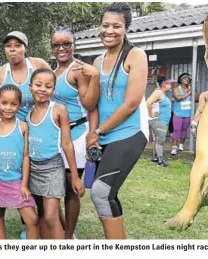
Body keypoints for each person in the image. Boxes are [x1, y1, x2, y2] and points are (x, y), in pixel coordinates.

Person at [85, 2, 149, 239]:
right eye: (105, 25)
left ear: (126, 29)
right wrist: (92, 135)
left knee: (101, 193)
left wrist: (99, 131)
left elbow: (131, 103)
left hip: (129, 133)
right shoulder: (96, 62)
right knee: (108, 194)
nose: (109, 31)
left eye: (116, 26)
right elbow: (92, 104)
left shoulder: (136, 55)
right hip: (102, 135)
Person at [0, 31, 51, 238]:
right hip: (8, 131)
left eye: (17, 45)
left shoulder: (38, 64)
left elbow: (50, 84)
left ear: (25, 47)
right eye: (8, 46)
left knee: (37, 177)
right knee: (14, 172)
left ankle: (43, 223)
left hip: (36, 128)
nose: (13, 49)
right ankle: (28, 225)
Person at [50, 28, 100, 239]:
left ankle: (69, 236)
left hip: (77, 135)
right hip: (56, 137)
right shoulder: (52, 73)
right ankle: (61, 230)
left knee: (71, 188)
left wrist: (92, 136)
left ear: (73, 45)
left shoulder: (79, 70)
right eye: (56, 45)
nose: (61, 48)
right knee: (54, 189)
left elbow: (91, 106)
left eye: (66, 44)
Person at [26, 68, 85, 239]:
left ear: (53, 90)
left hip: (52, 168)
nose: (42, 89)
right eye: (38, 84)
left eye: (48, 86)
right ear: (30, 86)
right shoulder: (29, 114)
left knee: (52, 216)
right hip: (34, 169)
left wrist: (74, 175)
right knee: (43, 215)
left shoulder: (58, 109)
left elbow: (67, 143)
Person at [0, 84, 39, 239]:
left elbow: (25, 157)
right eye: (4, 103)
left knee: (32, 219)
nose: (8, 108)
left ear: (20, 105)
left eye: (13, 104)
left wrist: (24, 184)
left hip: (16, 181)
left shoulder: (22, 126)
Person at [146, 75, 173, 168]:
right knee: (160, 141)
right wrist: (151, 114)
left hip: (163, 120)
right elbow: (148, 102)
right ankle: (160, 161)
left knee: (158, 140)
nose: (171, 85)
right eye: (169, 84)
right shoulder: (158, 93)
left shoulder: (161, 93)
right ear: (164, 84)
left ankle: (154, 158)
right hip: (159, 120)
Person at [170, 72, 197, 155]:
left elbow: (197, 99)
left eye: (188, 79)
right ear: (181, 80)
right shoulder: (177, 88)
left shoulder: (191, 88)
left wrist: (194, 93)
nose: (186, 80)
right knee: (176, 129)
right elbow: (177, 98)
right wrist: (188, 94)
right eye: (184, 79)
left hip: (188, 113)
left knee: (184, 130)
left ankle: (181, 144)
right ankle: (174, 147)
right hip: (178, 113)